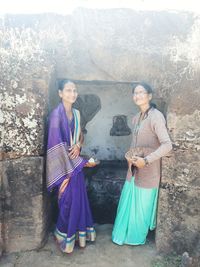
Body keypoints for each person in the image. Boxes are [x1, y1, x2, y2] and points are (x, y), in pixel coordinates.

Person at [112, 81, 172, 245]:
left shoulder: (156, 117)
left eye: (141, 92)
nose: (138, 95)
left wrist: (145, 161)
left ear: (149, 96)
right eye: (135, 93)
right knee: (127, 205)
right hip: (133, 170)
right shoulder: (136, 118)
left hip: (149, 171)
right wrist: (130, 155)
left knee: (141, 210)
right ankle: (122, 236)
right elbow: (135, 143)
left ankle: (134, 239)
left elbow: (167, 145)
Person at [46, 79, 96, 253]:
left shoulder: (76, 113)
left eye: (74, 90)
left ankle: (77, 236)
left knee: (78, 200)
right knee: (67, 202)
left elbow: (80, 136)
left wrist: (78, 146)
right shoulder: (55, 116)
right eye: (68, 90)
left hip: (75, 167)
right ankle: (64, 235)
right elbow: (55, 146)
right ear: (60, 93)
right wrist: (82, 161)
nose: (72, 94)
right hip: (63, 168)